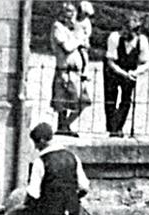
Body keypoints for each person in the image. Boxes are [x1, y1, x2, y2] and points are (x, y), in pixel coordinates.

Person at [102, 12, 149, 137]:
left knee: (126, 99)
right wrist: (123, 73)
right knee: (110, 98)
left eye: (130, 30)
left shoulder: (142, 41)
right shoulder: (114, 37)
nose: (126, 33)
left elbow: (146, 63)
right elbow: (110, 61)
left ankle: (118, 127)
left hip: (130, 71)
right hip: (113, 70)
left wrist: (135, 72)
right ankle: (112, 127)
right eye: (125, 29)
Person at [50, 2, 88, 137]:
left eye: (72, 12)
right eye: (67, 11)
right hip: (64, 70)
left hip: (77, 73)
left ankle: (65, 125)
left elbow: (85, 47)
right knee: (62, 103)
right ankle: (63, 126)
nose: (70, 15)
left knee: (82, 102)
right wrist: (79, 39)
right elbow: (67, 47)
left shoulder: (76, 29)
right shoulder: (57, 27)